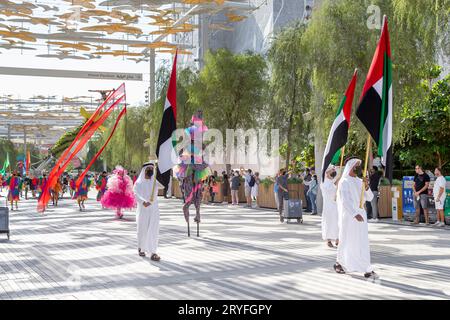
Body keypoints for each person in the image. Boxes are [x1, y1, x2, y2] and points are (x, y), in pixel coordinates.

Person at [333, 158, 378, 280]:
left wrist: (367, 186)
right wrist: (354, 214)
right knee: (346, 239)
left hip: (361, 215)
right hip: (349, 216)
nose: (359, 167)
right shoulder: (344, 181)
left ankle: (366, 268)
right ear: (351, 166)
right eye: (357, 165)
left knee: (362, 242)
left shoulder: (360, 181)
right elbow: (345, 200)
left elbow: (370, 197)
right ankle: (339, 263)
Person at [134, 162, 163, 261]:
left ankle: (153, 252)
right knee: (143, 229)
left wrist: (160, 172)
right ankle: (141, 247)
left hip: (154, 209)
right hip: (143, 209)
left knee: (153, 229)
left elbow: (163, 186)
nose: (150, 170)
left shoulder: (154, 182)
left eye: (152, 168)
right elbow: (136, 194)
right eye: (148, 169)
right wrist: (143, 202)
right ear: (144, 170)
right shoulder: (138, 183)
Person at [321, 166, 339, 248]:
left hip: (335, 205)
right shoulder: (323, 182)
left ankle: (337, 239)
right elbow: (329, 190)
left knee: (336, 221)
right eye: (331, 171)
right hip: (328, 206)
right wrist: (336, 184)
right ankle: (328, 240)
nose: (332, 172)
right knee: (329, 222)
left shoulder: (332, 181)